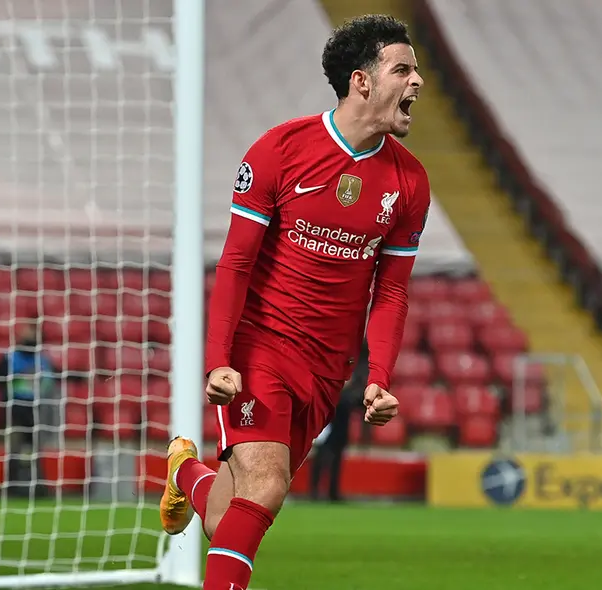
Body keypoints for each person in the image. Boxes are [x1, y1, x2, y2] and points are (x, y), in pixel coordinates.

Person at [158, 14, 428, 590]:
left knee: (230, 515)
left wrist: (379, 374)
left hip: (330, 367)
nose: (417, 82)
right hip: (263, 345)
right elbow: (234, 264)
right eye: (402, 69)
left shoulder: (410, 182)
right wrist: (218, 360)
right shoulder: (280, 150)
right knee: (267, 486)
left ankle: (187, 474)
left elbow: (393, 289)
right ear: (362, 82)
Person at [0, 320, 58, 498]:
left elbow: (52, 382)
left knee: (36, 450)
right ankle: (11, 487)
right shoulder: (10, 358)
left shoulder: (43, 360)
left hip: (36, 410)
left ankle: (39, 488)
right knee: (15, 448)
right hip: (15, 409)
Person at [309, 342, 368, 502]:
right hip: (327, 418)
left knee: (335, 457)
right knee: (322, 455)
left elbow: (357, 398)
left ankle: (332, 492)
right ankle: (315, 491)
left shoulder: (356, 370)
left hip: (340, 420)